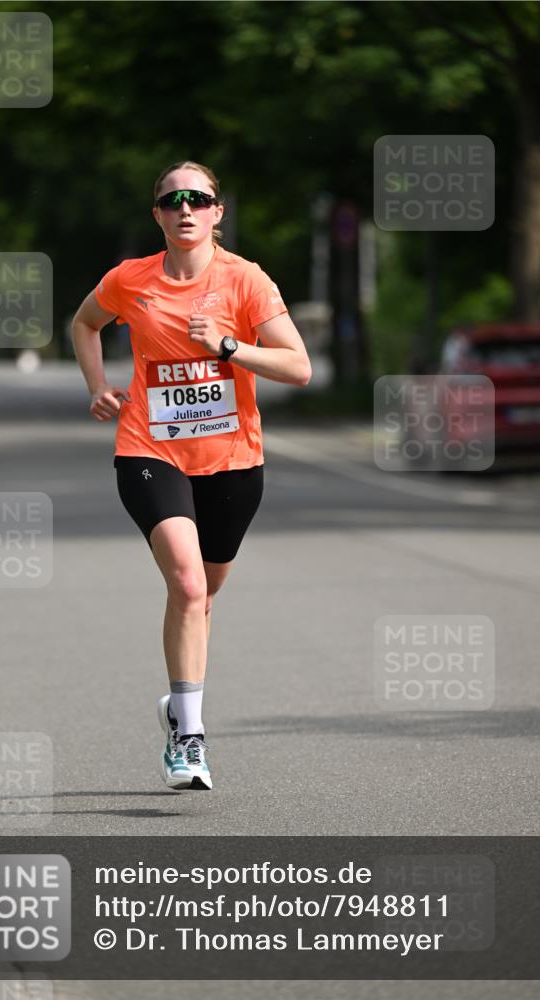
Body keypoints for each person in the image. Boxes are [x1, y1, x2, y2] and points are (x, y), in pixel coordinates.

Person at [71, 160, 311, 791]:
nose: (185, 208)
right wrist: (99, 387)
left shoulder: (246, 281)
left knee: (204, 594)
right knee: (184, 580)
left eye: (197, 199)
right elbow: (85, 322)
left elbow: (298, 368)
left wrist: (229, 347)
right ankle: (190, 738)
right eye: (172, 199)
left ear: (216, 212)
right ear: (158, 214)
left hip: (233, 459)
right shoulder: (130, 279)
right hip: (150, 447)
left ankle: (178, 704)